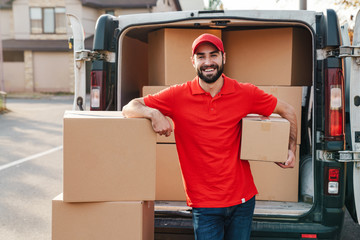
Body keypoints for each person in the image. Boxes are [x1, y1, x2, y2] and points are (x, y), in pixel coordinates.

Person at [122, 33, 297, 240]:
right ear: (193, 61)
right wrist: (154, 114)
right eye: (201, 56)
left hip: (242, 200)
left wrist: (290, 149)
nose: (208, 62)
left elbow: (288, 110)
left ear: (224, 58)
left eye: (213, 55)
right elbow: (130, 106)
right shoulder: (177, 96)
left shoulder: (244, 93)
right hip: (204, 204)